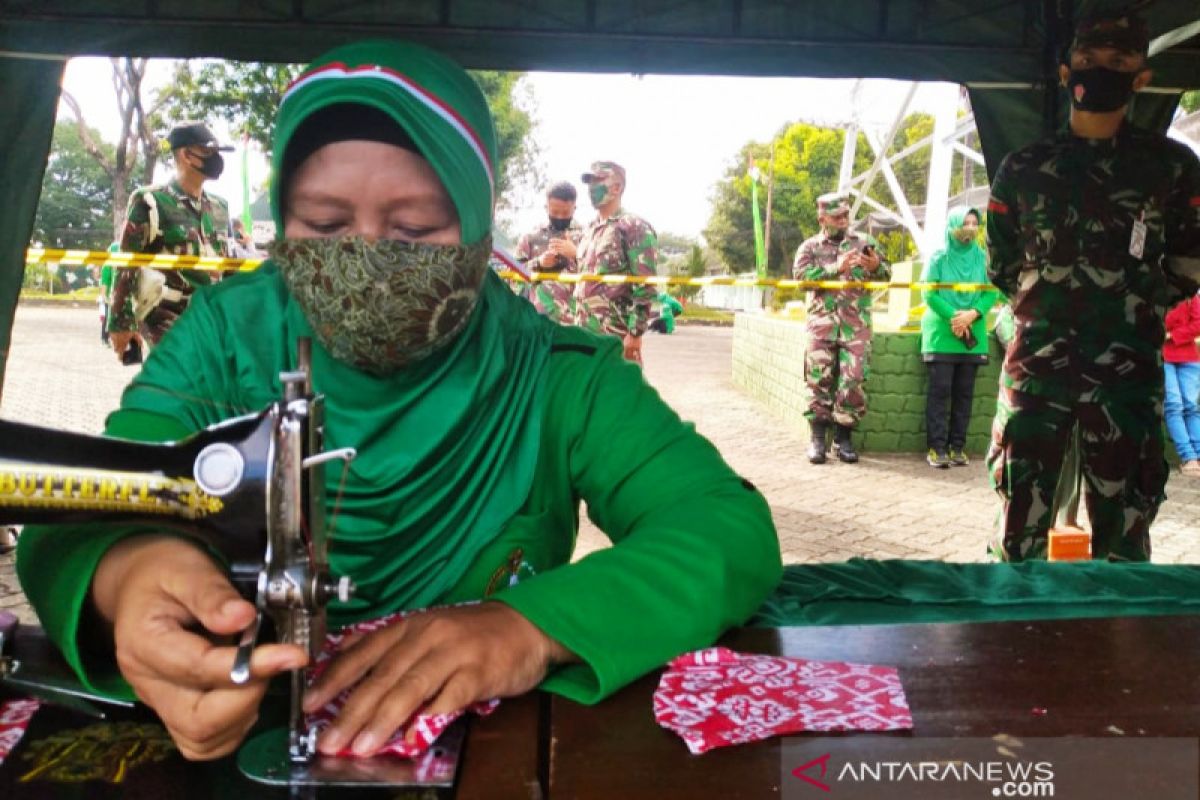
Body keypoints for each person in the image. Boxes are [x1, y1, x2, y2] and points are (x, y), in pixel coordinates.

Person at [16, 40, 781, 763]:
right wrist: (132, 573)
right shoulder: (224, 338)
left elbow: (725, 528)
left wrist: (530, 626)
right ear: (283, 219)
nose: (367, 257)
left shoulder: (556, 375)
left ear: (481, 229)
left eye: (414, 229)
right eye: (324, 225)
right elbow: (82, 504)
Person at [985, 13, 1200, 562]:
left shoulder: (1172, 168)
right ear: (1065, 72)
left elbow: (1190, 258)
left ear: (1141, 78)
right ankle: (1013, 642)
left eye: (1118, 63)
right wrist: (1047, 307)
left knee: (1124, 542)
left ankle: (1116, 647)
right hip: (1036, 374)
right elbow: (1003, 261)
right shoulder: (1025, 167)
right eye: (1088, 61)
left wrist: (1138, 303)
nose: (1100, 72)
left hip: (1127, 377)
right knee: (1018, 538)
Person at [106, 121, 233, 359]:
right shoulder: (151, 201)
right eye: (208, 151)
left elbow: (228, 264)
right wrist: (121, 322)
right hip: (164, 313)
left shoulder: (219, 207)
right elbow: (126, 263)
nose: (216, 158)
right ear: (186, 154)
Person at [792, 192, 890, 465]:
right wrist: (836, 267)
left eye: (846, 215)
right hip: (821, 327)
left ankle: (843, 437)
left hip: (855, 327)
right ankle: (817, 440)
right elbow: (801, 279)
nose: (844, 221)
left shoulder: (864, 243)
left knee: (854, 379)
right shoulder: (809, 248)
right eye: (837, 217)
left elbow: (887, 273)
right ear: (822, 217)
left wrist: (876, 265)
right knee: (817, 380)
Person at [919, 207, 996, 468]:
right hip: (943, 334)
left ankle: (957, 447)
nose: (971, 228)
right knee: (940, 391)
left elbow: (991, 293)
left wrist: (972, 315)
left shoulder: (983, 259)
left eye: (975, 223)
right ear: (952, 225)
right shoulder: (939, 258)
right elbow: (929, 294)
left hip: (972, 336)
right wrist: (955, 316)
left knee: (965, 394)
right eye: (965, 222)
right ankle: (937, 448)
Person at [575, 161, 658, 365]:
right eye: (589, 182)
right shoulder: (589, 230)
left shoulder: (632, 226)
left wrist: (635, 333)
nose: (591, 187)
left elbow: (645, 284)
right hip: (584, 334)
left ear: (617, 187)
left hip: (615, 336)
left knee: (618, 394)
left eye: (598, 180)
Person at [515, 181, 583, 324]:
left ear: (574, 208)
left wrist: (577, 255)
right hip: (538, 320)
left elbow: (598, 275)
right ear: (546, 207)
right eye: (554, 212)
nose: (559, 217)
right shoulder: (531, 237)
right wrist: (539, 263)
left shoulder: (587, 236)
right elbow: (513, 276)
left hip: (576, 320)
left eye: (565, 212)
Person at [1164, 293, 1200, 476]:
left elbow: (1198, 324)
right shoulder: (1155, 291)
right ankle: (1189, 457)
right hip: (1164, 357)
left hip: (1189, 358)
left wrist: (1172, 335)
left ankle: (1198, 456)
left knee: (1191, 406)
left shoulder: (1191, 293)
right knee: (1174, 405)